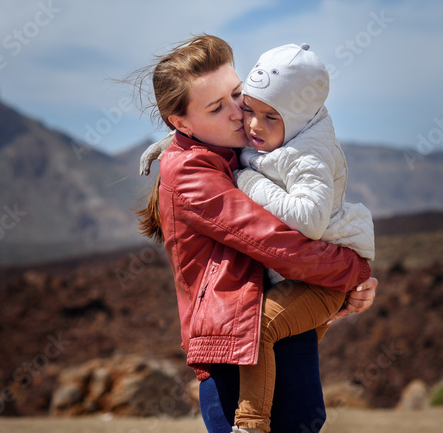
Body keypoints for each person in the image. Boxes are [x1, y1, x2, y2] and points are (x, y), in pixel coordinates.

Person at [131, 34, 377, 432]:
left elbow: (296, 109)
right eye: (216, 107)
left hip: (271, 346)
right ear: (181, 123)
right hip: (236, 359)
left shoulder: (231, 150)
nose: (239, 115)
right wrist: (354, 272)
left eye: (237, 95)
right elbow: (280, 247)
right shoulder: (193, 172)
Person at [228, 43, 375, 432]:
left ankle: (250, 424)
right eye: (249, 109)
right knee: (288, 363)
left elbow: (309, 220)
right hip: (297, 275)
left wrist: (247, 181)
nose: (254, 126)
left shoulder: (309, 155)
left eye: (270, 116)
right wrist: (176, 146)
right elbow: (215, 139)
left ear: (297, 117)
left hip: (321, 282)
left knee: (259, 327)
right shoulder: (274, 137)